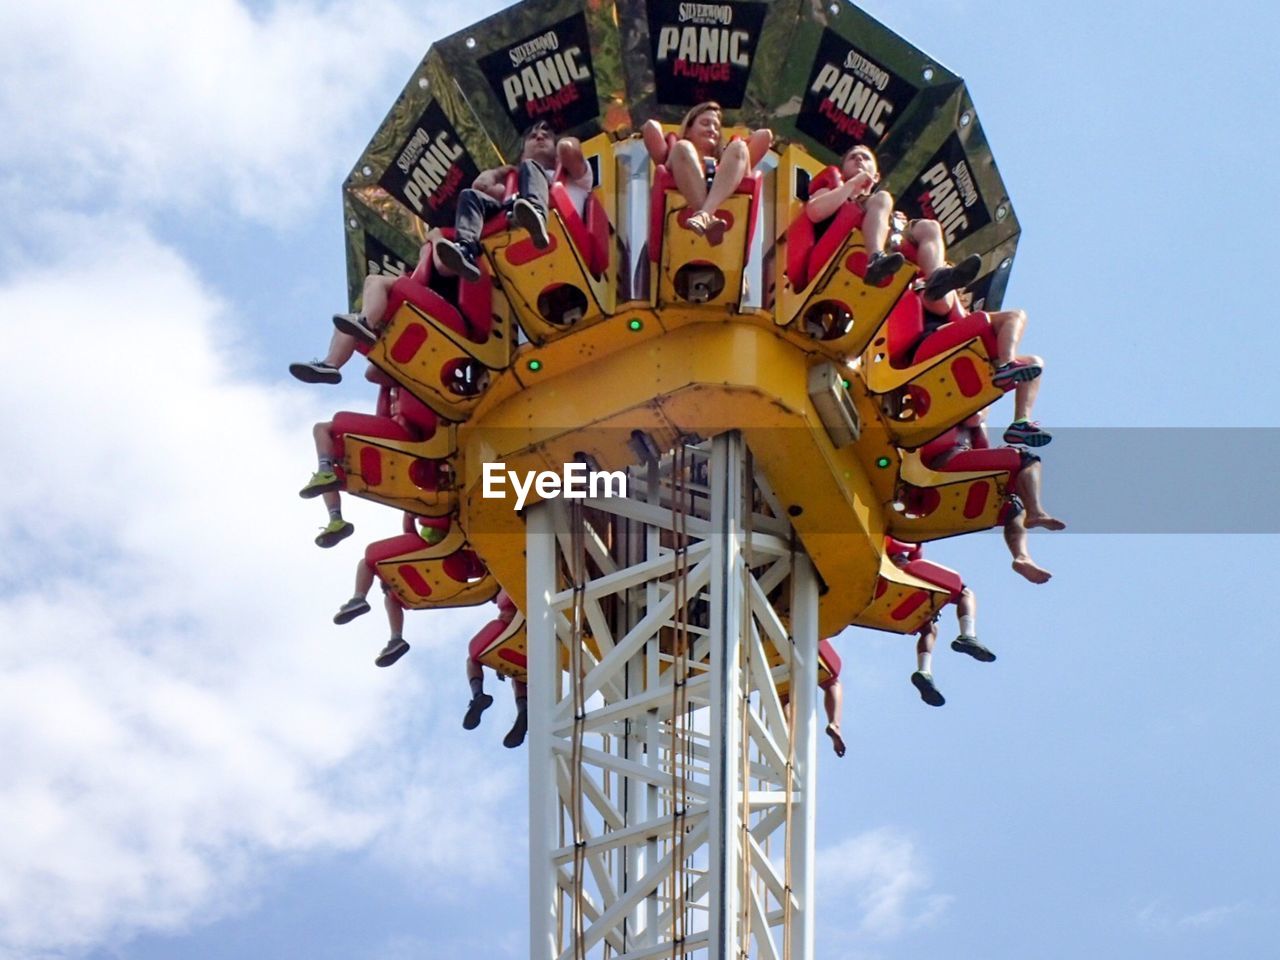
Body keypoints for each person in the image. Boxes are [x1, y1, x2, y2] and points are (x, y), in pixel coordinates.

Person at [804, 143, 984, 310]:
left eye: (865, 158)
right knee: (883, 198)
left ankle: (937, 279)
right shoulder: (835, 187)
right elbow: (814, 212)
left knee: (930, 226)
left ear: (876, 176)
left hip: (890, 260)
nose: (859, 159)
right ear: (843, 170)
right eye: (853, 157)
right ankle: (875, 258)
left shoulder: (881, 207)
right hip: (830, 258)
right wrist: (851, 185)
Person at [434, 121, 592, 283]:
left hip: (567, 238)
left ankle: (536, 215)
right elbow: (480, 186)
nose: (539, 136)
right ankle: (466, 250)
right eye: (532, 136)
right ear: (523, 152)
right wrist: (502, 171)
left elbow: (568, 150)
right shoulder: (511, 186)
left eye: (546, 135)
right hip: (515, 229)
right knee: (469, 196)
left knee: (531, 166)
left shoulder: (575, 176)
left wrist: (562, 141)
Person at [920, 411, 1067, 583]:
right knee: (1025, 459)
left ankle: (1022, 557)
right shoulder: (955, 408)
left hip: (948, 474)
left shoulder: (961, 415)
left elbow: (980, 447)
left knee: (1013, 509)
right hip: (945, 464)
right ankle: (1035, 511)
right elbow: (974, 417)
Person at [298, 370, 439, 547]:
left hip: (405, 440)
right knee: (330, 463)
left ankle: (328, 482)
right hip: (406, 443)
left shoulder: (406, 376)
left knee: (322, 429)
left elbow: (372, 374)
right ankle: (334, 512)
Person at [642, 101, 773, 245]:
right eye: (705, 123)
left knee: (740, 147)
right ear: (687, 130)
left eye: (716, 127)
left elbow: (764, 136)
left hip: (730, 242)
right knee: (682, 147)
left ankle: (704, 215)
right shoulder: (675, 151)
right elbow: (650, 127)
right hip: (674, 239)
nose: (712, 129)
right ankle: (708, 219)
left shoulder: (728, 162)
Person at [331, 514, 451, 667]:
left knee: (367, 559)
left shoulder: (439, 504)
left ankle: (358, 598)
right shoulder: (431, 506)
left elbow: (416, 528)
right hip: (430, 557)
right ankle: (396, 639)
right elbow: (410, 530)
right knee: (391, 594)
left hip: (435, 554)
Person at [887, 539, 992, 708]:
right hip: (901, 573)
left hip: (888, 586)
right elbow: (914, 553)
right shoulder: (895, 538)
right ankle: (968, 635)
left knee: (929, 628)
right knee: (965, 592)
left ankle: (924, 671)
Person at [462, 591, 529, 748]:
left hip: (511, 631)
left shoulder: (506, 584)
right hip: (524, 639)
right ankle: (523, 711)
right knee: (517, 676)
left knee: (472, 660)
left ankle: (478, 694)